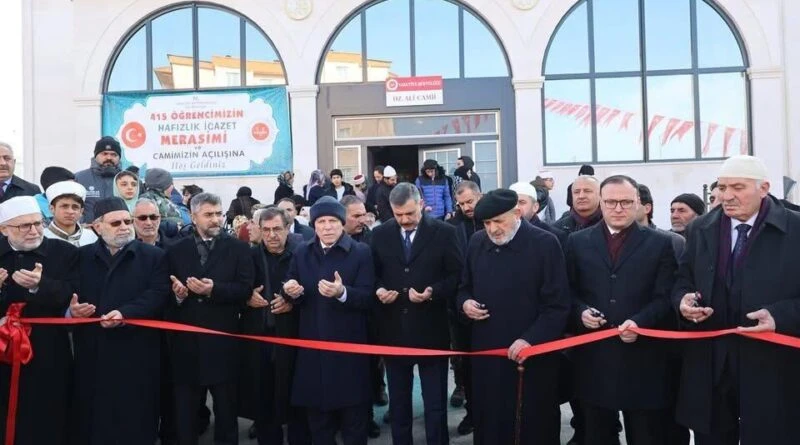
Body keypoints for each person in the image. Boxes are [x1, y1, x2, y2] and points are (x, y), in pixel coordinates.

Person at [673, 155, 800, 445]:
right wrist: (683, 301)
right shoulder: (700, 228)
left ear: (764, 188)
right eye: (722, 187)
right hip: (712, 364)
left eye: (738, 187)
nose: (726, 196)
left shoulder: (795, 230)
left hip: (774, 366)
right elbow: (683, 280)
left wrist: (780, 316)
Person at [565, 175, 677, 445]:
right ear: (601, 203)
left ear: (639, 203)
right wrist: (580, 312)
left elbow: (666, 297)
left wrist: (640, 322)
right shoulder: (576, 242)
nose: (618, 208)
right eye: (612, 202)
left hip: (643, 360)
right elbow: (567, 292)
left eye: (626, 202)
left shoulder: (660, 243)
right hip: (594, 360)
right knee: (597, 434)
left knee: (645, 435)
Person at [459, 189, 569, 445]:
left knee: (532, 424)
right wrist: (465, 303)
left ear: (517, 213)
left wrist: (529, 339)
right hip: (488, 354)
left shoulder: (545, 243)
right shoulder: (477, 242)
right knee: (490, 421)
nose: (493, 229)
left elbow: (558, 305)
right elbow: (463, 287)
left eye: (499, 221)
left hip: (531, 357)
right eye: (486, 223)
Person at [69, 196, 169, 444]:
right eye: (116, 223)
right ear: (97, 226)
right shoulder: (81, 256)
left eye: (127, 221)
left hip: (137, 349)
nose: (125, 227)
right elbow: (70, 291)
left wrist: (126, 313)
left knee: (136, 412)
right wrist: (73, 309)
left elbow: (157, 293)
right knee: (94, 411)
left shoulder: (153, 256)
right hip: (94, 348)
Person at [371, 183, 463, 445]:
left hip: (431, 331)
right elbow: (373, 274)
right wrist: (379, 290)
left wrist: (432, 291)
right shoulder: (380, 235)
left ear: (421, 203)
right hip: (393, 332)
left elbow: (457, 275)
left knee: (435, 406)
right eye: (398, 215)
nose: (405, 220)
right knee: (399, 406)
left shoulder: (445, 233)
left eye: (410, 213)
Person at [283, 196, 375, 445]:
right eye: (321, 221)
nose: (327, 226)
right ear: (314, 225)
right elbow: (291, 283)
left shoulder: (361, 252)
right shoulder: (302, 251)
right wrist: (291, 290)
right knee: (319, 426)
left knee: (354, 425)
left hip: (349, 349)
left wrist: (342, 293)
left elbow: (368, 297)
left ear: (342, 223)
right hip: (313, 349)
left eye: (333, 221)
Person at [165, 192, 254, 445]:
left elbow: (245, 289)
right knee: (185, 413)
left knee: (226, 410)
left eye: (218, 213)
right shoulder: (175, 251)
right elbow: (166, 294)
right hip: (186, 346)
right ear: (193, 217)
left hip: (223, 342)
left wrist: (213, 289)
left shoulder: (237, 248)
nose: (216, 219)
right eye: (208, 215)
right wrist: (179, 296)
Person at [0, 197, 78, 445]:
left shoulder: (64, 252)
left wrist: (39, 286)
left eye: (37, 223)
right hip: (2, 345)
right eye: (24, 226)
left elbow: (72, 293)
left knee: (48, 408)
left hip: (48, 347)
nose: (33, 231)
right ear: (4, 229)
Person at [241, 207, 310, 445]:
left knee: (297, 401)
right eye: (266, 230)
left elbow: (313, 292)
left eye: (277, 229)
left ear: (288, 228)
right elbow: (235, 289)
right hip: (259, 341)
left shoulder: (303, 254)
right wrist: (246, 296)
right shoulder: (248, 257)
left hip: (294, 340)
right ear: (259, 230)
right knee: (264, 403)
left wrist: (294, 301)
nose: (272, 235)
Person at [446, 180, 482, 433]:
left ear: (479, 197)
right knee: (464, 362)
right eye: (462, 203)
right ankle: (472, 413)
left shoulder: (492, 220)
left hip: (493, 305)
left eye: (470, 201)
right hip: (459, 306)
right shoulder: (450, 227)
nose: (467, 207)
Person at [75, 136, 122, 222]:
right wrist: (82, 225)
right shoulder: (79, 178)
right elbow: (72, 206)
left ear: (119, 158)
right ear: (96, 155)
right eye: (104, 154)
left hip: (120, 231)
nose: (109, 158)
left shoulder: (129, 180)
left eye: (113, 154)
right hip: (88, 232)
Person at [509, 181, 567, 247]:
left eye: (522, 202)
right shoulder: (501, 234)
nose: (516, 207)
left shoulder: (554, 236)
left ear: (535, 207)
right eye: (513, 203)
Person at [636, 184, 686, 259]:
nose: (619, 209)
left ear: (647, 208)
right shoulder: (614, 242)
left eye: (629, 203)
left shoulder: (674, 241)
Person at [43, 180, 98, 247]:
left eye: (75, 207)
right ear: (52, 209)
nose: (70, 211)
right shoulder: (42, 238)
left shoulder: (92, 238)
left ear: (81, 211)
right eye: (64, 206)